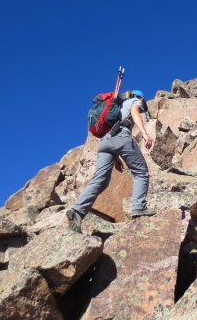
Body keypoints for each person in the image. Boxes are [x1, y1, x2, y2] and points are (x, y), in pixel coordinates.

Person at [66, 90, 154, 232]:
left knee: (100, 180)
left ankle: (77, 211)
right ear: (141, 98)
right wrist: (144, 133)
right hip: (121, 136)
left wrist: (117, 156)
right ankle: (139, 207)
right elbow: (135, 113)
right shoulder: (135, 101)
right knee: (141, 172)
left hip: (104, 142)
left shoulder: (117, 104)